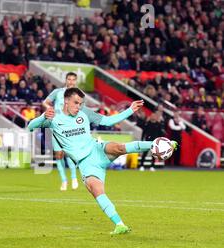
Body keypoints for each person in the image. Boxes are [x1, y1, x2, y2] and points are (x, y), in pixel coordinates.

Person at [28, 88, 177, 234]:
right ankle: (120, 225)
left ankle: (160, 145)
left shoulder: (84, 113)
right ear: (66, 101)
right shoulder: (53, 118)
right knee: (97, 191)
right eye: (76, 103)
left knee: (118, 147)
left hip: (97, 150)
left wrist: (130, 109)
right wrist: (43, 117)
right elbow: (30, 126)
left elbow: (108, 121)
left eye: (81, 103)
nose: (79, 107)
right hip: (86, 164)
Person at [42, 72, 79, 191]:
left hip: (70, 128)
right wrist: (50, 109)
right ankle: (64, 181)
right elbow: (45, 102)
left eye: (73, 80)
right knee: (59, 155)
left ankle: (73, 178)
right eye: (69, 79)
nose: (71, 82)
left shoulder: (79, 96)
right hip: (57, 127)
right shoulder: (58, 92)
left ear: (76, 81)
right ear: (66, 80)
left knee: (68, 153)